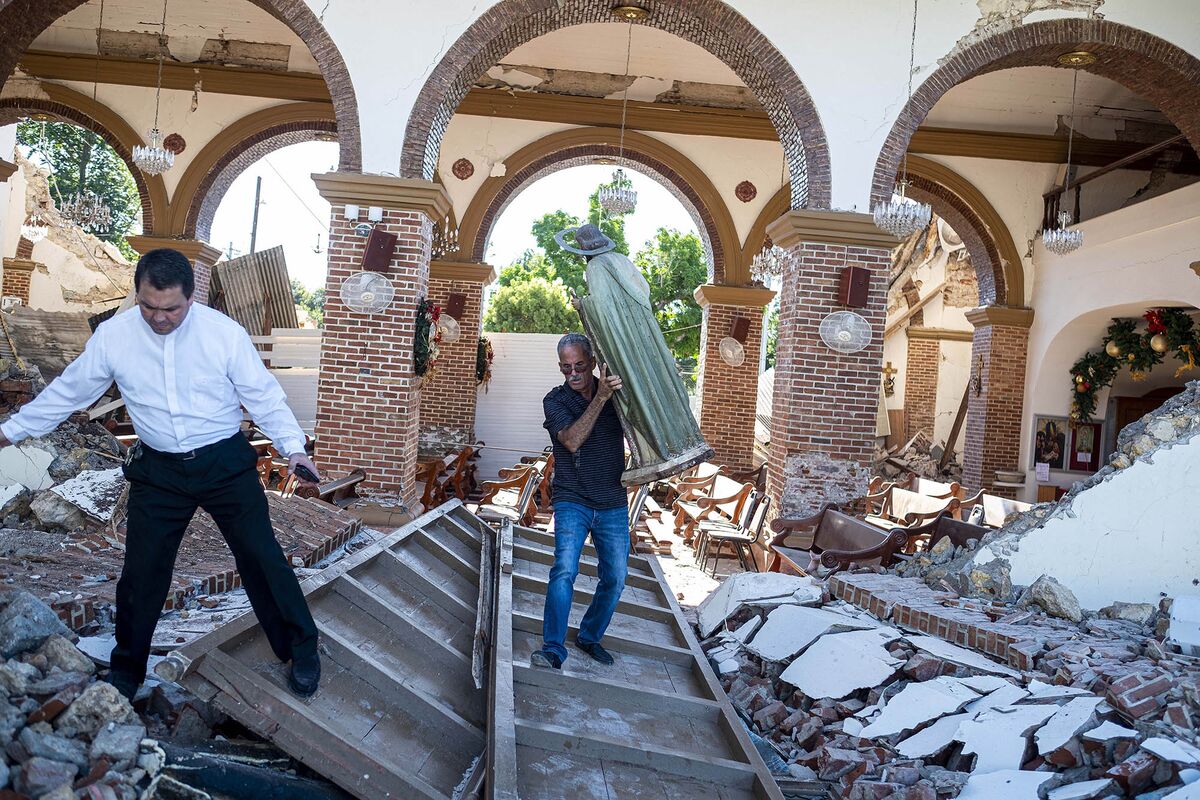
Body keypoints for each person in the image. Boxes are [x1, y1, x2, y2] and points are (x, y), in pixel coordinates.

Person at [0, 249, 323, 699]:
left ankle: (300, 649)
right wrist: (10, 432)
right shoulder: (115, 336)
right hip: (158, 469)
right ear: (139, 294)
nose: (159, 317)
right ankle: (127, 670)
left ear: (191, 299)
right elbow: (68, 392)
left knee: (261, 557)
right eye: (149, 306)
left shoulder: (222, 334)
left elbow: (265, 397)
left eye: (171, 308)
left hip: (223, 463)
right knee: (142, 572)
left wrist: (294, 450)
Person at [555, 224, 712, 485]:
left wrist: (582, 304)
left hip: (623, 340)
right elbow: (643, 293)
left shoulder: (595, 268)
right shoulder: (622, 261)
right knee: (656, 381)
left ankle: (661, 452)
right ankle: (681, 441)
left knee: (635, 390)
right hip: (644, 333)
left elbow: (603, 307)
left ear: (583, 251)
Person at [532, 332, 627, 670]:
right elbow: (572, 440)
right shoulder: (555, 401)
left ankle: (589, 636)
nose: (573, 374)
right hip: (573, 498)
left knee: (615, 577)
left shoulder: (616, 395)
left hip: (613, 500)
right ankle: (553, 648)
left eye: (580, 367)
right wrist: (599, 398)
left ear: (593, 363)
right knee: (564, 570)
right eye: (566, 368)